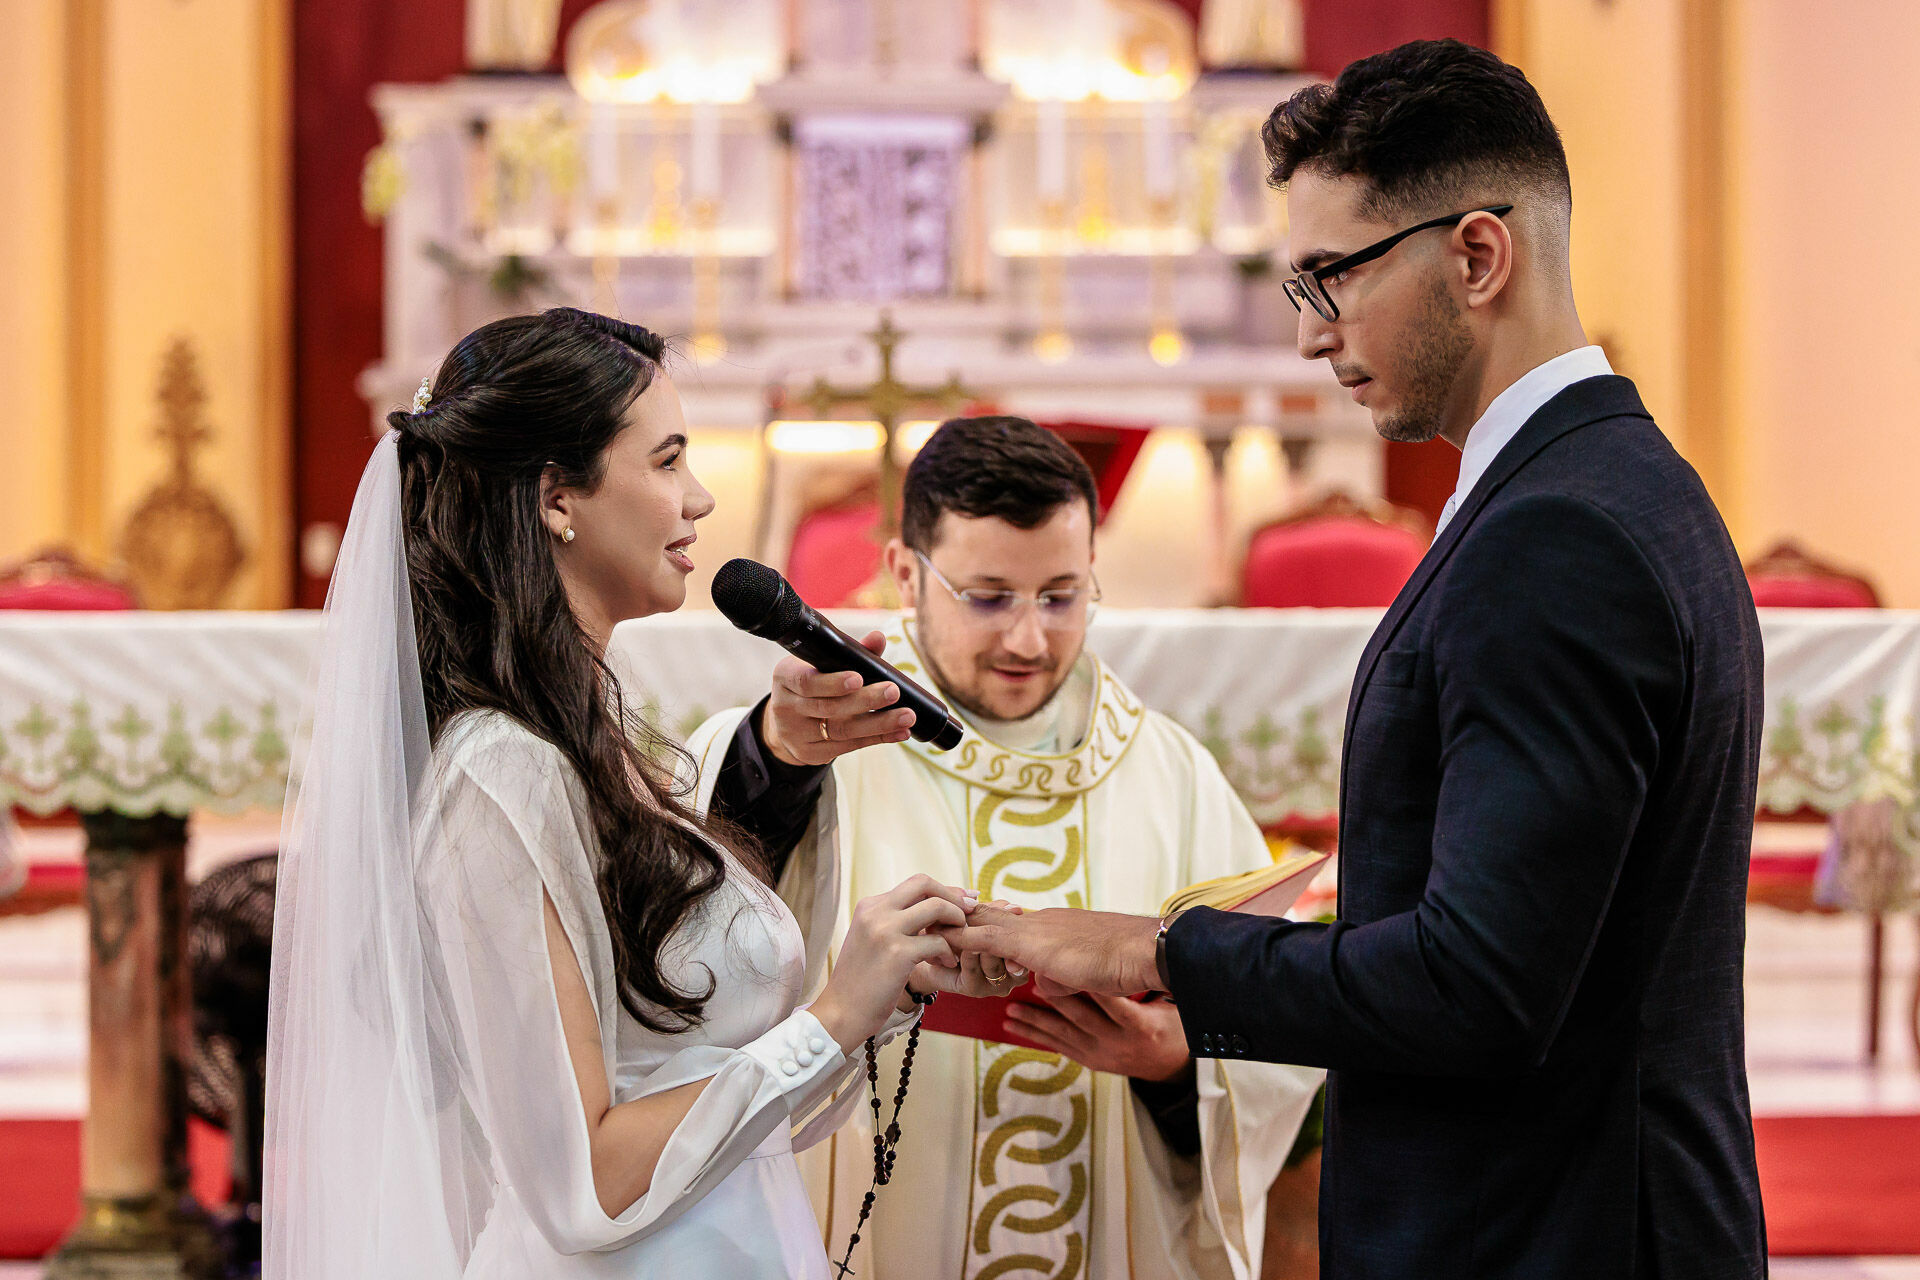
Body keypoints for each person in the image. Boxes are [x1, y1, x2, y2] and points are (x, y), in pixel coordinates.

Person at [947, 40, 1768, 1280]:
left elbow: (1478, 987)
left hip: (1544, 1230)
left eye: (1331, 277)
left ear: (1477, 255)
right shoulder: (1624, 481)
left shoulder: (1557, 534)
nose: (1311, 335)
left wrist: (1153, 948)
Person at [264, 308, 1004, 1280]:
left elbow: (682, 1036)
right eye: (666, 461)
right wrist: (830, 1013)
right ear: (556, 497)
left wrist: (879, 977)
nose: (698, 499)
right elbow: (587, 1183)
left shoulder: (582, 735)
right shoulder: (500, 774)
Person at [690, 417, 1323, 1280]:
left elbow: (1272, 1045)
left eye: (1062, 597)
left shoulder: (1166, 768)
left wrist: (1174, 1067)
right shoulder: (821, 735)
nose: (1029, 639)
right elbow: (698, 923)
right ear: (905, 574)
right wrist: (777, 755)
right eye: (987, 598)